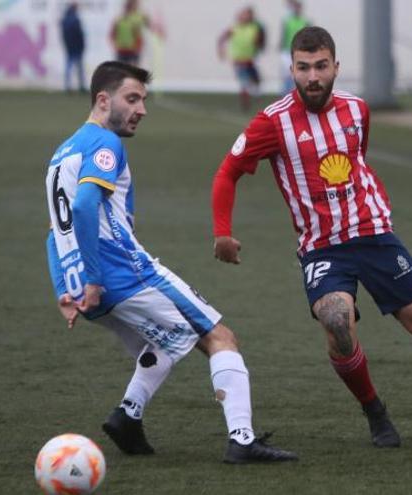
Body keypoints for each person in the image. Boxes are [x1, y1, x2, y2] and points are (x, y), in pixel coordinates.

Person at [211, 26, 412, 451]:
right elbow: (227, 172)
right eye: (303, 68)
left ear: (336, 66)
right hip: (322, 246)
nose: (312, 77)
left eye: (320, 67)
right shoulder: (272, 121)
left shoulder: (357, 110)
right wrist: (222, 233)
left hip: (374, 236)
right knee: (337, 322)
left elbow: (358, 162)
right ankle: (375, 412)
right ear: (292, 70)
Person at [44, 61, 297, 464]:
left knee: (162, 343)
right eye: (132, 99)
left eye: (143, 100)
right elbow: (86, 205)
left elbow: (53, 232)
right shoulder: (104, 144)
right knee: (219, 336)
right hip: (122, 273)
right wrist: (94, 278)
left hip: (82, 283)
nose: (141, 109)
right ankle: (242, 439)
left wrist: (65, 288)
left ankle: (127, 417)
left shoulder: (62, 153)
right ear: (103, 100)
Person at [218, 6, 266, 111]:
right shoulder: (234, 28)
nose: (245, 17)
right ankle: (245, 103)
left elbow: (259, 41)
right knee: (244, 82)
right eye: (244, 15)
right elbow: (222, 38)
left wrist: (259, 43)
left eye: (248, 15)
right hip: (239, 61)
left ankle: (254, 96)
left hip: (250, 59)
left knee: (257, 80)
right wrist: (221, 50)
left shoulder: (254, 28)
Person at [279, 0, 310, 94]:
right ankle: (286, 92)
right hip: (287, 50)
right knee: (288, 72)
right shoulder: (287, 21)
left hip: (300, 50)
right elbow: (283, 34)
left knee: (298, 71)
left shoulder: (305, 21)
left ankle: (296, 91)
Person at [110, 0, 150, 65]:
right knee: (128, 69)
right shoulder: (120, 19)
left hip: (129, 49)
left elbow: (112, 34)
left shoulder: (119, 19)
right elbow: (113, 34)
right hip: (125, 49)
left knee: (127, 69)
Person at [61, 2, 86, 93]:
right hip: (76, 47)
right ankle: (81, 85)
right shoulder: (75, 19)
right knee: (79, 67)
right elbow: (79, 35)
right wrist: (82, 45)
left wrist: (66, 45)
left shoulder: (64, 19)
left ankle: (67, 86)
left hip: (69, 46)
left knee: (69, 67)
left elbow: (64, 35)